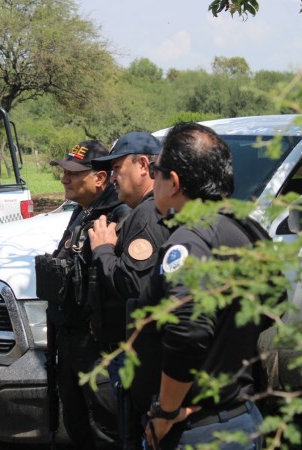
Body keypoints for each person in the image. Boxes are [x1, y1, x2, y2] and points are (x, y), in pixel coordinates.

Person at [140, 122, 265, 450]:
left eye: (156, 170)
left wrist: (165, 412)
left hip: (198, 429)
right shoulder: (246, 228)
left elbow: (188, 332)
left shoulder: (190, 239)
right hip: (241, 415)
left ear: (175, 182)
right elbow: (273, 304)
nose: (153, 179)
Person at [87, 132, 173, 450]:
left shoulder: (146, 215)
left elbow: (136, 286)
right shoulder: (149, 210)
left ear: (142, 164)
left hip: (143, 355)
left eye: (117, 168)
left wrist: (104, 251)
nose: (112, 178)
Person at [46, 140, 131, 449]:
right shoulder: (83, 212)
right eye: (64, 172)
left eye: (74, 173)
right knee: (77, 426)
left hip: (100, 346)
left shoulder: (118, 214)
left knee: (105, 430)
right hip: (70, 339)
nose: (65, 179)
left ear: (100, 178)